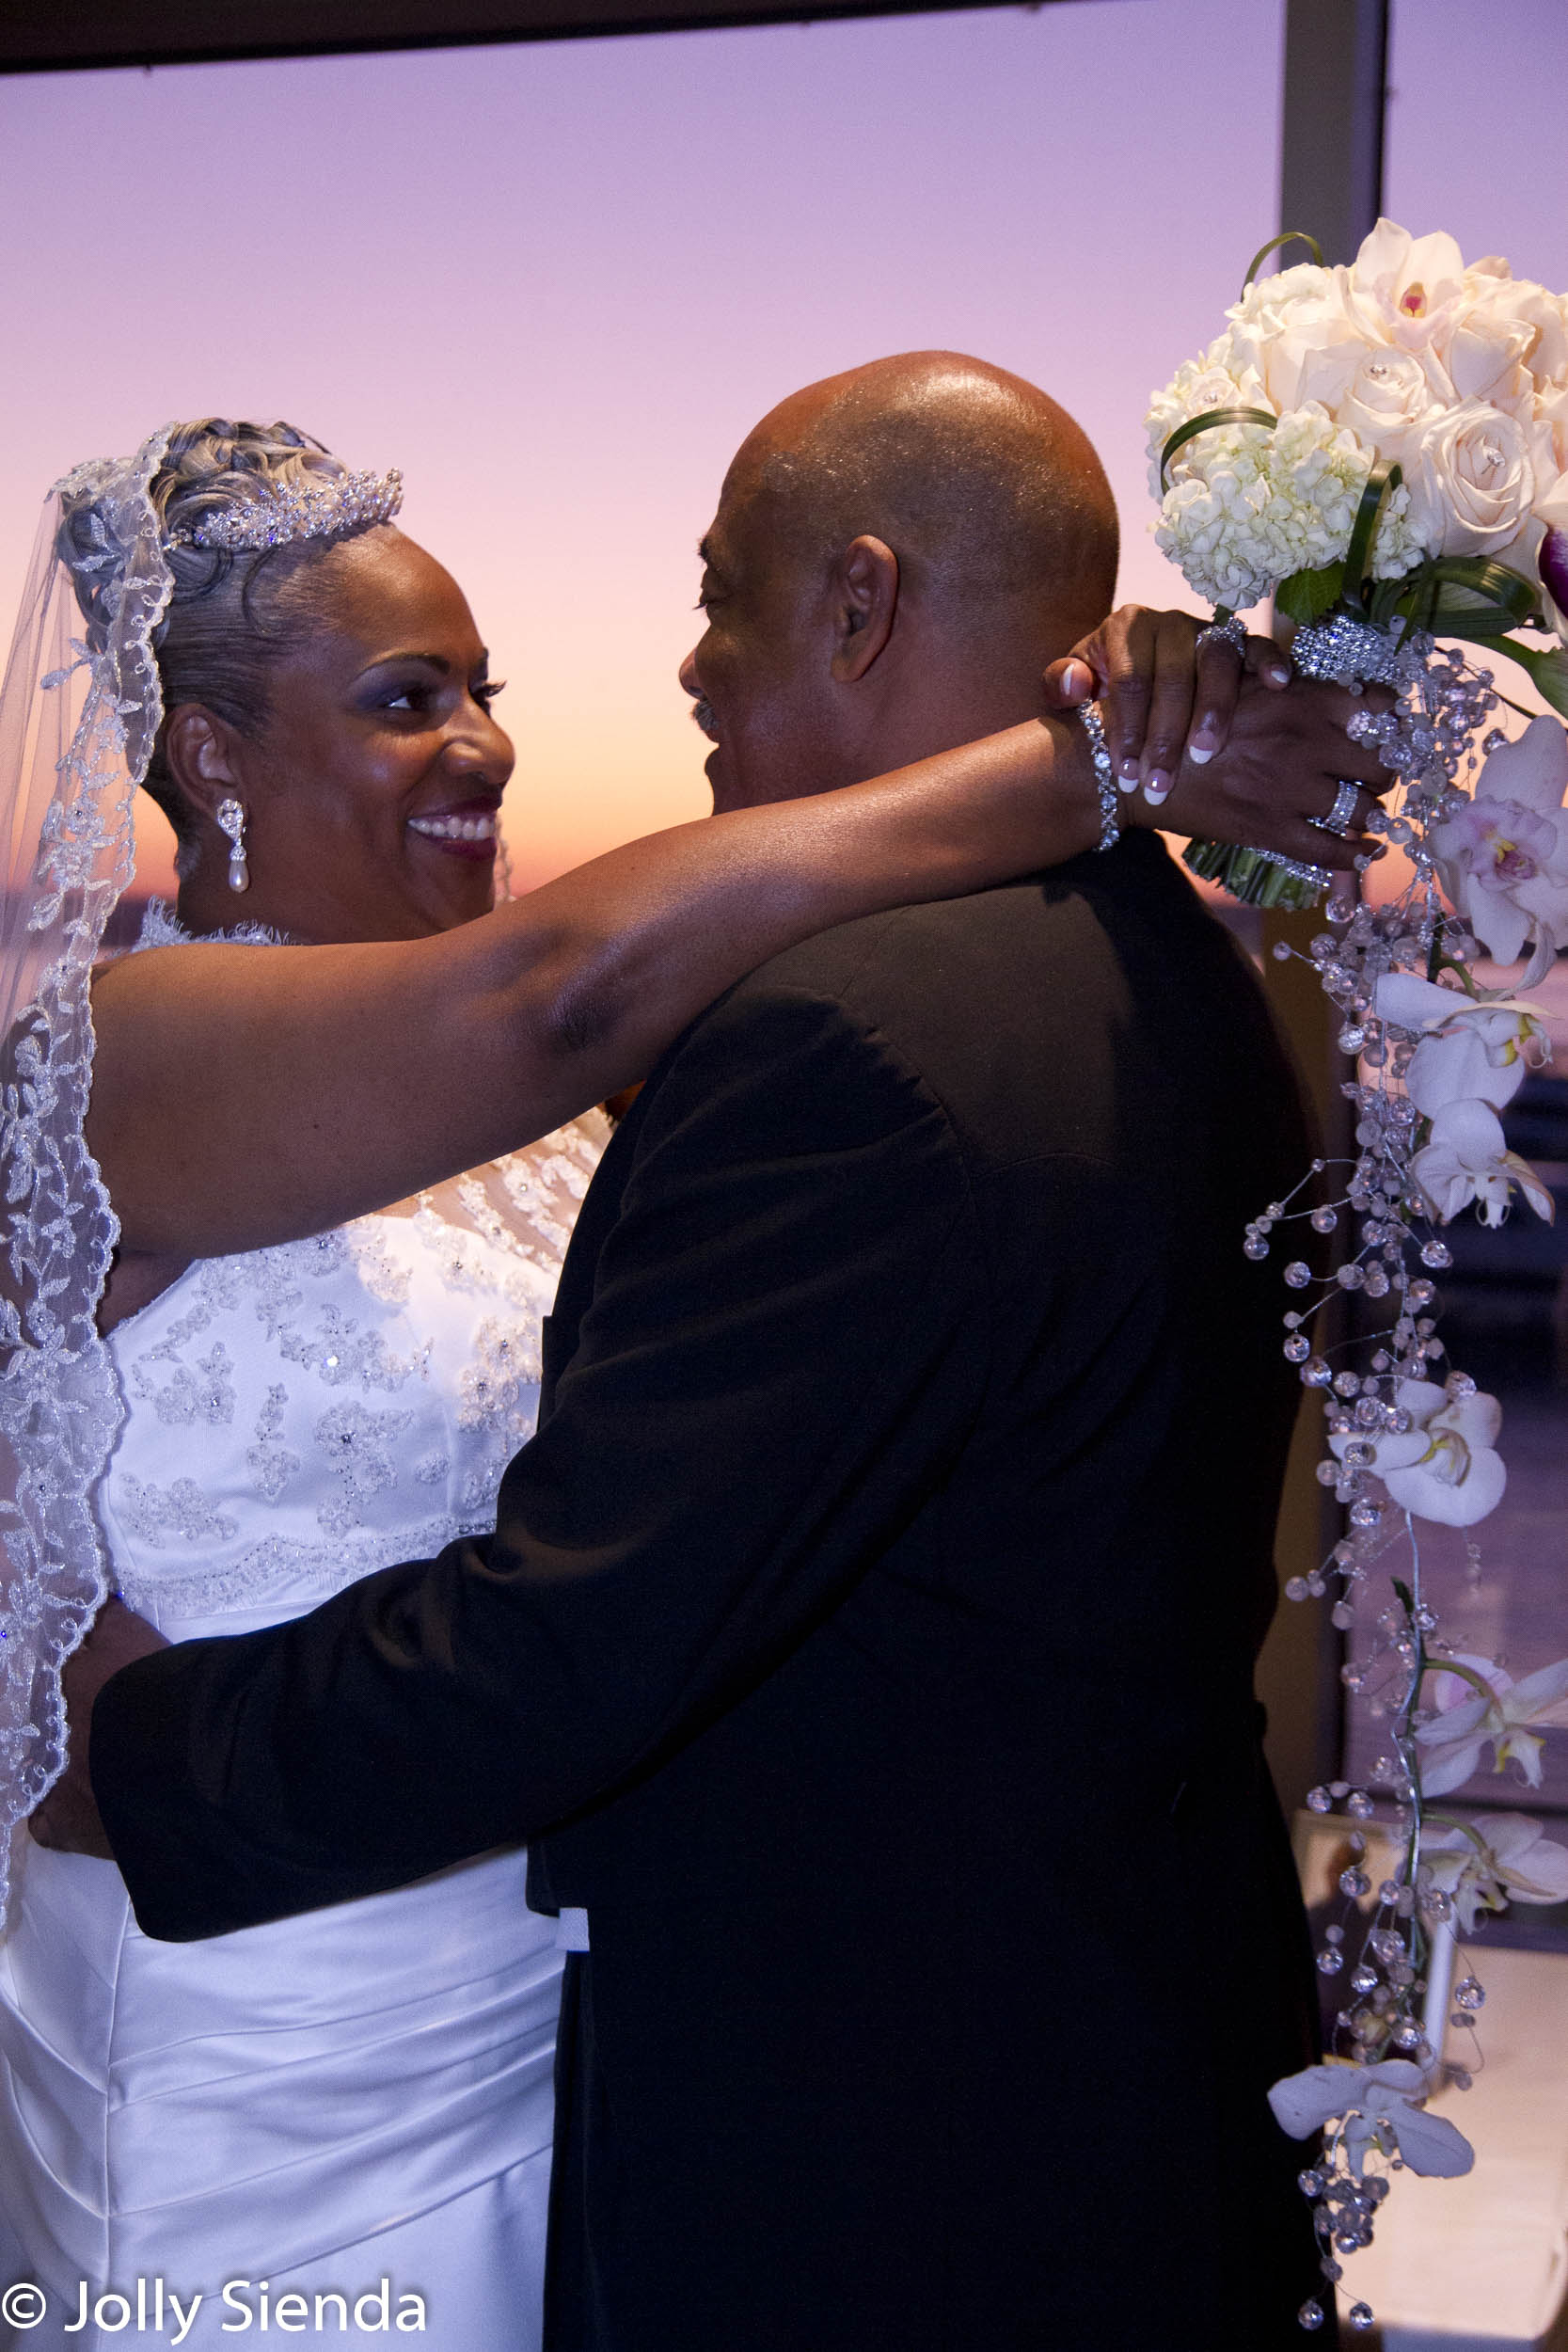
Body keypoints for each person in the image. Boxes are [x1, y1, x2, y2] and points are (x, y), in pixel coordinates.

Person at [28, 370, 1390, 2350]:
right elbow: (563, 983)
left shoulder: (615, 1086)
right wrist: (1086, 757)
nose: (489, 735)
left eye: (482, 683)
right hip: (262, 2037)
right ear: (204, 750)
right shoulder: (113, 1066)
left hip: (560, 2036)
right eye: (411, 695)